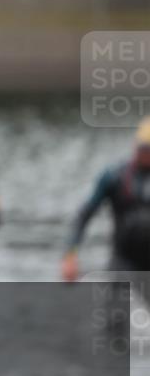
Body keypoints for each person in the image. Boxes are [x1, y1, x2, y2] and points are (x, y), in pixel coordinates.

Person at [61, 117, 150, 309]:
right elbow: (84, 215)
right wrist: (70, 254)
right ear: (136, 146)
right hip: (123, 259)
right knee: (114, 321)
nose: (146, 154)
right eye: (144, 148)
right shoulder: (115, 176)